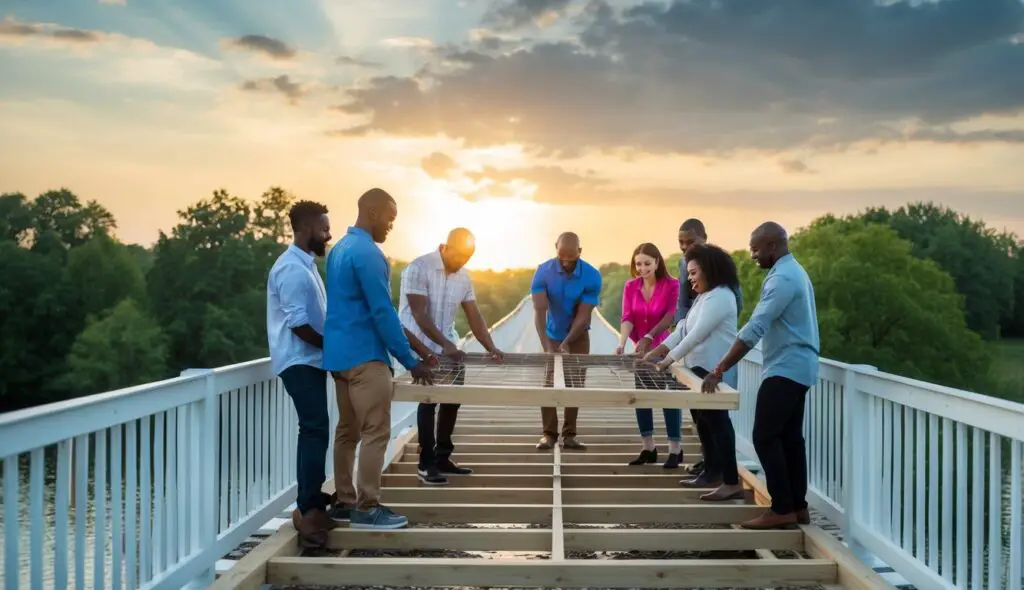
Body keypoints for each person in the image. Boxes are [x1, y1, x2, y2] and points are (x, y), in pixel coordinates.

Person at [323, 188, 435, 530]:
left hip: (339, 359)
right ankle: (367, 507)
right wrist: (409, 360)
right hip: (366, 358)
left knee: (347, 431)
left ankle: (344, 502)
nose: (391, 226)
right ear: (373, 213)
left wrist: (414, 350)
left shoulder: (339, 249)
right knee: (375, 431)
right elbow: (382, 313)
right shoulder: (369, 254)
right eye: (390, 218)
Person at [700, 222, 820, 529]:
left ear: (772, 246)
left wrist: (720, 367)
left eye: (755, 249)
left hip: (786, 366)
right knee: (790, 439)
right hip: (800, 365)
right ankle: (797, 506)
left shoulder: (781, 279)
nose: (752, 255)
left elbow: (755, 328)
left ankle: (781, 508)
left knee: (764, 437)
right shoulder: (796, 272)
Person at [399, 227, 505, 486]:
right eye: (459, 257)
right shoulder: (418, 268)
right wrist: (445, 345)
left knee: (453, 399)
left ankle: (442, 457)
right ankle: (426, 464)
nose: (462, 262)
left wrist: (490, 346)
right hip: (419, 344)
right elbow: (419, 314)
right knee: (428, 400)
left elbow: (474, 315)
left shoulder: (464, 277)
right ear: (444, 247)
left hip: (447, 343)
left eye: (468, 258)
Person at [642, 243, 745, 501]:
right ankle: (710, 473)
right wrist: (658, 351)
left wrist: (668, 360)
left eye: (694, 273)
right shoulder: (703, 297)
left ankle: (730, 480)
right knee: (702, 421)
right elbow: (683, 329)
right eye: (688, 273)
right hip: (696, 371)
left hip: (712, 372)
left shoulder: (722, 296)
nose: (690, 279)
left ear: (710, 269)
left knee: (718, 424)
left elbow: (698, 336)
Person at [266, 200, 336, 547]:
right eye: (324, 228)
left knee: (316, 429)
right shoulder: (291, 269)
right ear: (306, 228)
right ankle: (307, 507)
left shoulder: (305, 264)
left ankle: (312, 501)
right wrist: (332, 348)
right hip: (298, 359)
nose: (328, 233)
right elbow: (298, 324)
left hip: (310, 359)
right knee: (313, 429)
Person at [675, 218, 743, 477]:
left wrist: (670, 357)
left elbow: (734, 305)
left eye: (690, 242)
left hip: (713, 355)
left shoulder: (720, 281)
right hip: (695, 354)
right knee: (702, 417)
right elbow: (683, 309)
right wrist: (679, 336)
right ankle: (711, 465)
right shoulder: (693, 275)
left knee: (715, 418)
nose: (684, 247)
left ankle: (725, 475)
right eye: (680, 243)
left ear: (704, 237)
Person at [531, 232, 602, 450]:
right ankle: (548, 434)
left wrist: (568, 341)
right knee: (550, 382)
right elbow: (540, 310)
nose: (566, 261)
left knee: (575, 383)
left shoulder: (592, 276)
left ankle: (569, 434)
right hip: (552, 332)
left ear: (580, 252)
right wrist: (547, 345)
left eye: (571, 257)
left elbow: (583, 315)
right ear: (555, 248)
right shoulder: (543, 271)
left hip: (579, 334)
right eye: (562, 256)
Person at [614, 243, 683, 469]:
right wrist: (622, 343)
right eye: (638, 264)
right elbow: (627, 317)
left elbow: (670, 316)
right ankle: (648, 447)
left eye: (646, 263)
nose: (642, 268)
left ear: (657, 262)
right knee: (642, 396)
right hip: (641, 352)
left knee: (669, 398)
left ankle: (675, 449)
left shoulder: (672, 285)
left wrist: (650, 337)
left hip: (665, 350)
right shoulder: (630, 286)